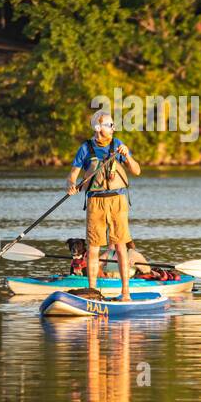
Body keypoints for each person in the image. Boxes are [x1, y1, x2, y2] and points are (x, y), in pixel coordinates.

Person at [66, 111, 141, 300]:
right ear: (98, 128)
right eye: (109, 125)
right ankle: (92, 292)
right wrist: (71, 185)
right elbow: (73, 174)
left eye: (113, 124)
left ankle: (125, 293)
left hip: (117, 200)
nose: (113, 128)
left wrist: (128, 156)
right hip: (95, 201)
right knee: (93, 247)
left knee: (121, 246)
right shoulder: (85, 148)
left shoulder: (117, 145)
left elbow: (137, 170)